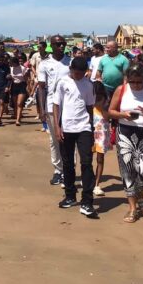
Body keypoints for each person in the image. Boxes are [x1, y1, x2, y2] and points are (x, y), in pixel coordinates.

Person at [108, 63, 143, 223]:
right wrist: (122, 114)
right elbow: (110, 111)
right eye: (132, 81)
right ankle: (133, 208)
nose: (135, 85)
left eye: (139, 82)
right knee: (128, 171)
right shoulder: (121, 90)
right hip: (125, 133)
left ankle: (141, 197)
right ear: (127, 79)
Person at [53, 57, 98, 218]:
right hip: (66, 128)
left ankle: (87, 201)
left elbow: (90, 107)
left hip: (84, 127)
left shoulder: (88, 85)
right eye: (76, 73)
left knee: (86, 163)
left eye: (81, 73)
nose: (78, 75)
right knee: (68, 163)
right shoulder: (63, 82)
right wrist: (57, 127)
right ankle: (70, 195)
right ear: (71, 70)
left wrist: (92, 129)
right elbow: (56, 105)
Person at [37, 35, 71, 186]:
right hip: (51, 106)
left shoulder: (70, 62)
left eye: (63, 43)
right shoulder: (44, 64)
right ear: (52, 45)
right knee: (55, 139)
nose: (61, 46)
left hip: (69, 106)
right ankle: (58, 170)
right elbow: (41, 88)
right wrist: (42, 109)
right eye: (58, 44)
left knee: (70, 139)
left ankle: (69, 170)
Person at [91, 82, 113, 196]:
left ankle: (97, 184)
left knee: (100, 160)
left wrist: (103, 105)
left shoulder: (105, 104)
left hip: (101, 135)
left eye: (99, 96)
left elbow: (107, 117)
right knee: (87, 159)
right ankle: (90, 181)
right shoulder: (89, 105)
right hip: (90, 134)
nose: (96, 99)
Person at [9, 53, 29, 126]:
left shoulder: (23, 68)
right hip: (14, 86)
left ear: (14, 62)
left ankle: (18, 120)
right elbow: (11, 78)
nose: (10, 64)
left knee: (19, 103)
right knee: (15, 104)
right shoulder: (11, 68)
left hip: (22, 85)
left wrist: (28, 88)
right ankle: (17, 115)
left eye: (11, 63)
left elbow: (27, 79)